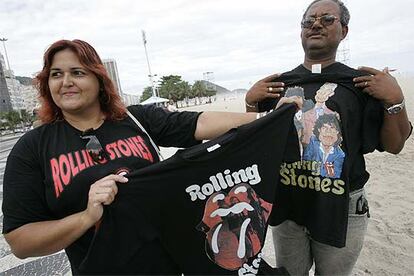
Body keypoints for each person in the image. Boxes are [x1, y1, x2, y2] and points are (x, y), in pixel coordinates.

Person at [1, 39, 300, 275]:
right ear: (46, 84)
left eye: (77, 72)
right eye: (56, 74)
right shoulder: (32, 148)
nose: (65, 81)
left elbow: (200, 123)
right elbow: (20, 241)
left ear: (99, 79)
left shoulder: (136, 119)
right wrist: (86, 217)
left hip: (167, 266)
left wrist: (270, 117)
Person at [244, 0, 412, 275]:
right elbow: (256, 143)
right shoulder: (278, 86)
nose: (316, 24)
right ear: (301, 32)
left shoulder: (360, 84)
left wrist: (395, 99)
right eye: (308, 21)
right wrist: (251, 104)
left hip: (343, 205)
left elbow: (394, 145)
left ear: (344, 30)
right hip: (289, 203)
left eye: (327, 19)